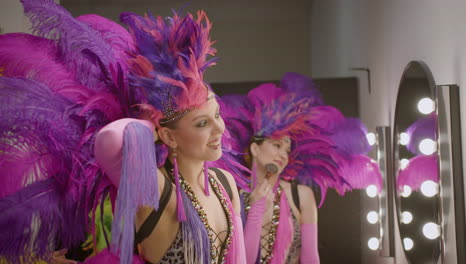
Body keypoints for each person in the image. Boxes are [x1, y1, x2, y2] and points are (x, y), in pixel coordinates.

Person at [0, 1, 246, 263]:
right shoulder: (152, 188)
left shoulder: (225, 183)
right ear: (169, 137)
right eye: (202, 123)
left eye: (217, 115)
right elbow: (111, 140)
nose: (220, 128)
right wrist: (152, 121)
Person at [221, 72, 382, 264]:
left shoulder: (301, 195)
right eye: (277, 145)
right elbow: (241, 260)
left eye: (287, 149)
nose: (283, 154)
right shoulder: (234, 194)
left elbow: (310, 257)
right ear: (255, 148)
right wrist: (255, 210)